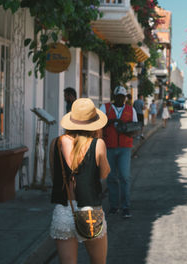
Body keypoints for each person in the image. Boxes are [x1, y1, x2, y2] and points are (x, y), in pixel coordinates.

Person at [49, 98, 110, 264]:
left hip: (63, 210)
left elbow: (54, 175)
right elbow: (104, 174)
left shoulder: (56, 143)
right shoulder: (98, 144)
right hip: (89, 211)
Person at [100, 86, 138, 219]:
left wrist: (126, 129)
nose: (121, 99)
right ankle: (114, 206)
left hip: (124, 147)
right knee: (111, 178)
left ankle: (125, 207)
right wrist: (112, 121)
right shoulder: (105, 108)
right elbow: (99, 123)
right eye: (118, 96)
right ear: (114, 96)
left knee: (124, 176)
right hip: (109, 146)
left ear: (125, 97)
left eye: (123, 97)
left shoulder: (130, 109)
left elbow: (135, 127)